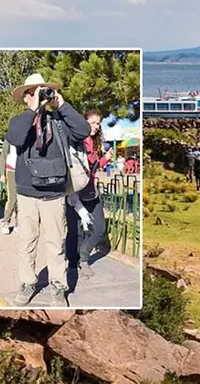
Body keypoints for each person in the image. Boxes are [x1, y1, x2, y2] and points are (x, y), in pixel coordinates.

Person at [6, 73, 90, 307]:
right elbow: (15, 138)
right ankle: (27, 283)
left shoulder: (59, 122)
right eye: (32, 93)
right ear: (25, 97)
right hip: (27, 193)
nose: (38, 96)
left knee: (55, 243)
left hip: (54, 192)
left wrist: (61, 104)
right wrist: (33, 110)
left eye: (41, 91)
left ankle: (58, 286)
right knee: (27, 242)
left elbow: (83, 130)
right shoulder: (19, 121)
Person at [66, 110, 113, 280]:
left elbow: (92, 168)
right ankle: (73, 264)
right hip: (74, 192)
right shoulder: (76, 141)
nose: (96, 126)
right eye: (93, 123)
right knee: (75, 231)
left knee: (99, 229)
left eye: (98, 123)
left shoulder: (93, 142)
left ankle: (83, 257)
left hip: (90, 191)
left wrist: (105, 158)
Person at [1, 143, 18, 235]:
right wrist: (2, 174)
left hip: (21, 171)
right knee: (12, 199)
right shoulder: (9, 140)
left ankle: (18, 223)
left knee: (20, 199)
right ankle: (5, 221)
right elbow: (3, 156)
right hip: (11, 170)